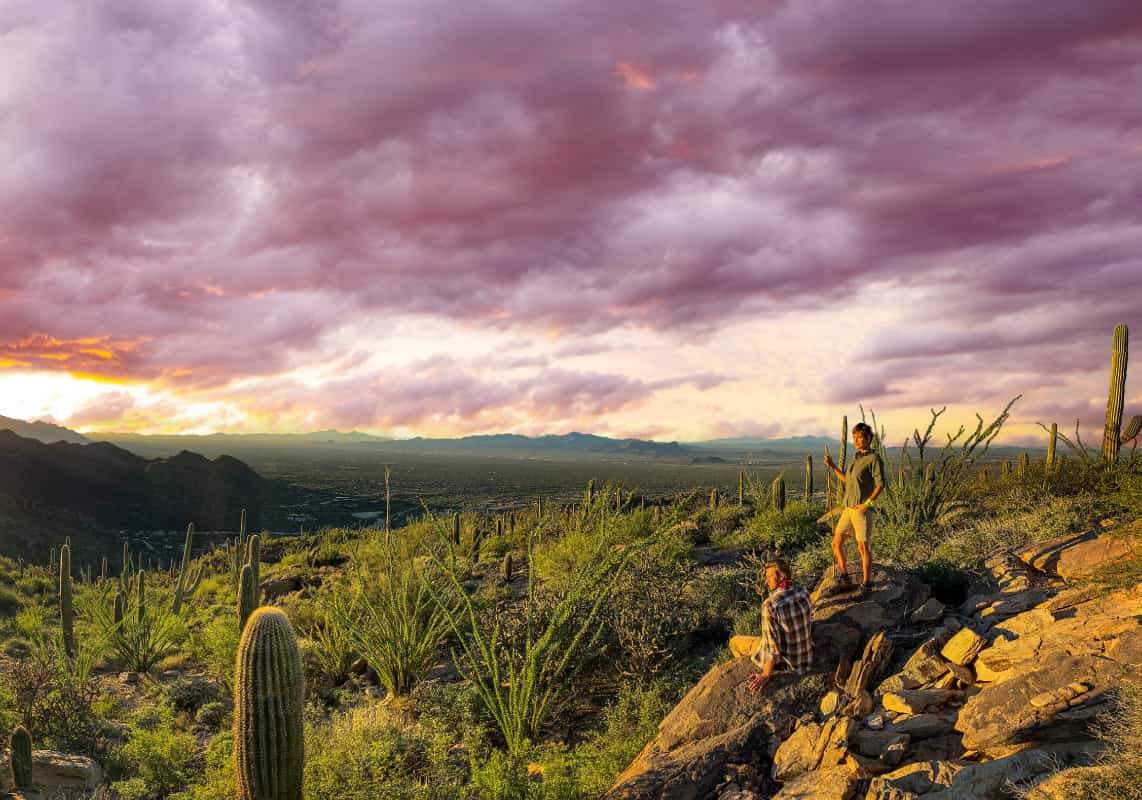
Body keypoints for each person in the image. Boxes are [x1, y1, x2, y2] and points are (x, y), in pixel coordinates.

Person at [729, 558, 813, 694]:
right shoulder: (803, 592)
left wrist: (766, 674)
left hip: (787, 662)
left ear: (781, 576)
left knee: (735, 642)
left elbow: (772, 648)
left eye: (769, 577)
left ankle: (742, 667)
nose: (767, 580)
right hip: (805, 657)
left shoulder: (770, 605)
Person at [823, 421, 885, 593]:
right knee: (836, 543)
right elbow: (846, 480)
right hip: (848, 509)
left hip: (861, 510)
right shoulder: (854, 458)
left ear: (869, 438)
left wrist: (867, 504)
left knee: (862, 547)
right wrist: (833, 466)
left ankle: (867, 585)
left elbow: (880, 484)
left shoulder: (874, 459)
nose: (857, 440)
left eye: (860, 437)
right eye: (854, 437)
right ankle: (845, 578)